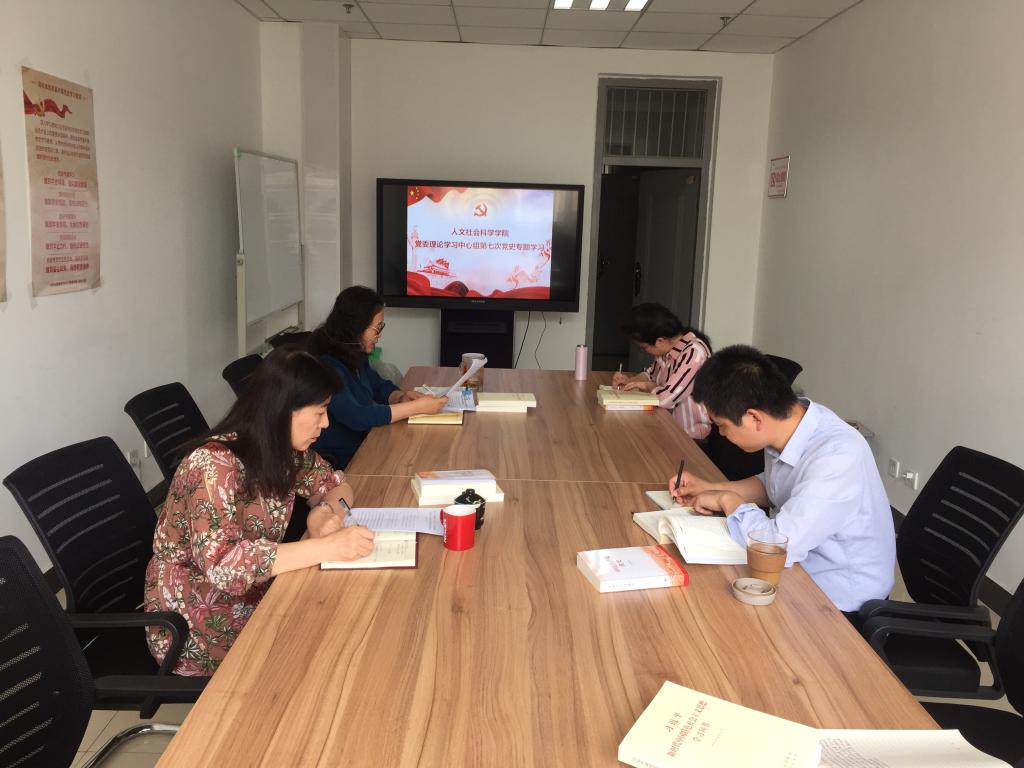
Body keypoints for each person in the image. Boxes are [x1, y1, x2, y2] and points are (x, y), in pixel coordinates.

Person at [143, 347, 376, 676]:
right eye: (320, 411)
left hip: (258, 595)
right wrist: (327, 547)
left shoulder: (284, 450)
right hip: (197, 623)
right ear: (284, 410)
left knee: (348, 628)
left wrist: (325, 513)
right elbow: (224, 565)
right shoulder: (212, 465)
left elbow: (337, 486)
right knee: (330, 651)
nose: (325, 423)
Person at [669, 344, 895, 615]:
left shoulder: (837, 456)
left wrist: (728, 500)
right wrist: (710, 488)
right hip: (801, 569)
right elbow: (774, 484)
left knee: (707, 608)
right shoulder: (793, 422)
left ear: (754, 418)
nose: (721, 434)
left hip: (840, 602)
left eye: (722, 426)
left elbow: (775, 547)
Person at [309, 286, 447, 468]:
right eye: (376, 328)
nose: (379, 335)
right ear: (355, 327)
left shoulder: (353, 352)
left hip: (368, 440)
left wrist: (399, 397)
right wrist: (414, 408)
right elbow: (357, 416)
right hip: (346, 457)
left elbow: (377, 385)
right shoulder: (327, 368)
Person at [611, 303, 712, 439]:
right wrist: (630, 381)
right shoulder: (666, 350)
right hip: (665, 426)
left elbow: (667, 398)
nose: (643, 351)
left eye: (643, 347)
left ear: (660, 341)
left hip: (689, 435)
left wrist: (648, 386)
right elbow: (650, 374)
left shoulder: (694, 352)